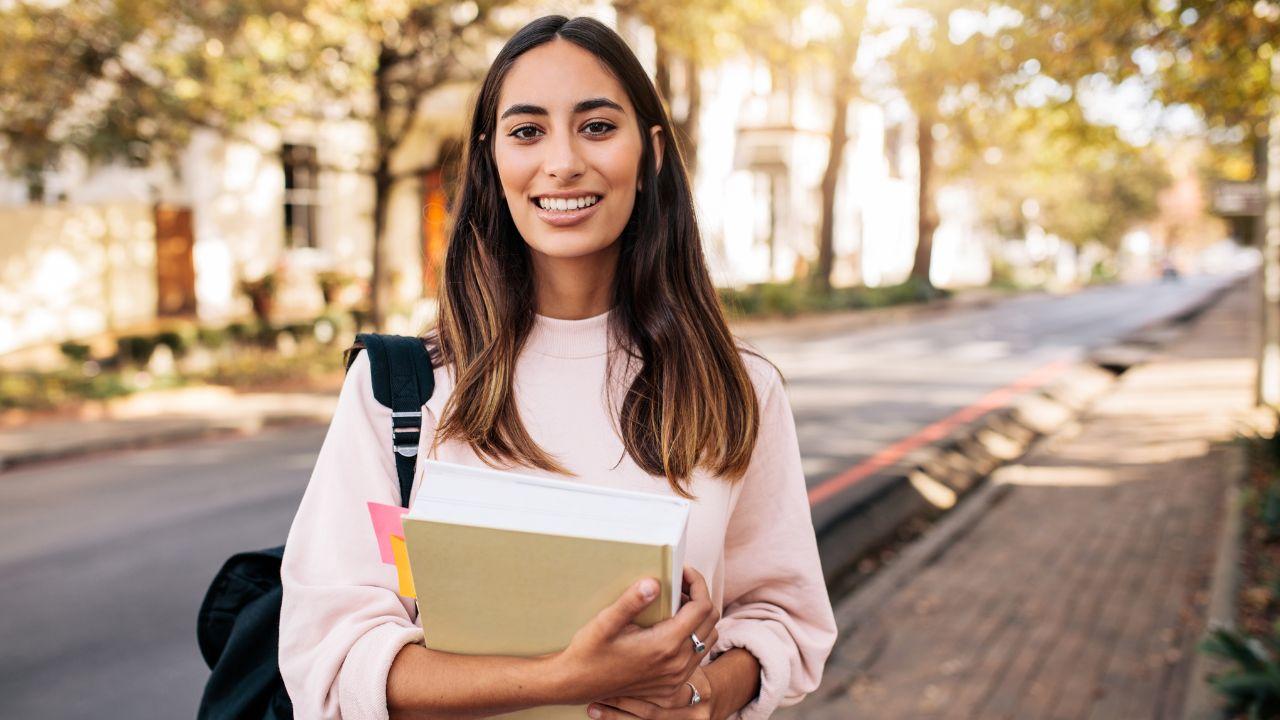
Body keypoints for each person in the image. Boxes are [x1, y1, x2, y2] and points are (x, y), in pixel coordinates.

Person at [279, 14, 837, 720]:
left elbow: (781, 618)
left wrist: (699, 699)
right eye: (527, 131)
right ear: (490, 160)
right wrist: (564, 679)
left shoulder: (738, 390)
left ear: (653, 153)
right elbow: (328, 658)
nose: (564, 161)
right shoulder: (400, 393)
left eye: (598, 126)